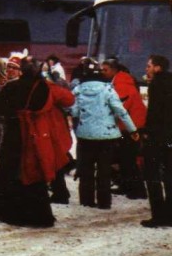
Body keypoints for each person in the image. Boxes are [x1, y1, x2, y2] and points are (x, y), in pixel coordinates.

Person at [0, 59, 59, 227]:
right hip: (36, 132)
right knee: (33, 170)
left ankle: (6, 212)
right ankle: (38, 215)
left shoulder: (11, 87)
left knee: (9, 169)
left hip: (14, 131)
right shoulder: (43, 87)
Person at [70, 58, 138, 210]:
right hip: (107, 137)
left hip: (85, 135)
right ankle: (104, 202)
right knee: (104, 171)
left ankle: (86, 201)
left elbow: (74, 111)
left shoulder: (78, 90)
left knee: (86, 170)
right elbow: (121, 111)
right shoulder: (108, 90)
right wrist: (132, 130)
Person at [102, 56, 147, 199]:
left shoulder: (121, 85)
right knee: (125, 158)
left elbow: (119, 108)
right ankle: (128, 187)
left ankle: (137, 191)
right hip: (130, 126)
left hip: (132, 128)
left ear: (113, 70)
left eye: (105, 70)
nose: (102, 72)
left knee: (128, 159)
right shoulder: (121, 82)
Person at [140, 54, 172, 228]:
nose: (146, 69)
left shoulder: (156, 85)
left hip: (157, 138)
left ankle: (158, 216)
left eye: (149, 66)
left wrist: (146, 132)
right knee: (170, 176)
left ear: (158, 68)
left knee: (152, 176)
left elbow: (154, 113)